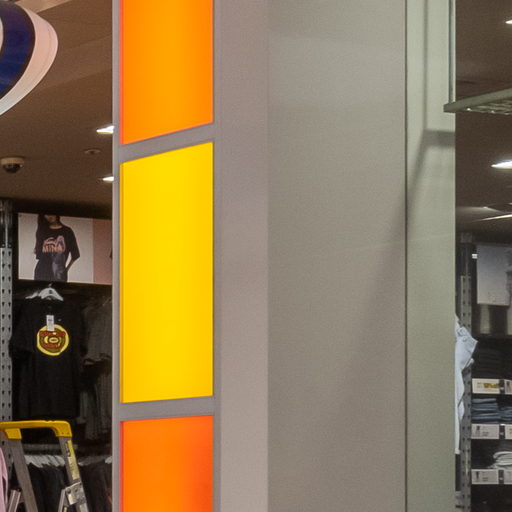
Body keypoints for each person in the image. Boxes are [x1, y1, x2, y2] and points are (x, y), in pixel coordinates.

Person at [34, 214, 80, 282]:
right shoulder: (42, 231)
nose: (49, 216)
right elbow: (39, 255)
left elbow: (75, 254)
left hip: (58, 276)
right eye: (46, 214)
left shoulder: (67, 231)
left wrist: (65, 270)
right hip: (41, 274)